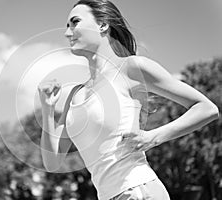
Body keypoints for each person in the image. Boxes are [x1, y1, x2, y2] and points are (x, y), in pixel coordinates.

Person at [37, 0, 219, 199]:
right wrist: (48, 109)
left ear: (103, 25)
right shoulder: (75, 95)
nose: (67, 32)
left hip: (137, 190)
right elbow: (52, 162)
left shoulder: (131, 69)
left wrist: (152, 137)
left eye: (75, 22)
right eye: (67, 26)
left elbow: (206, 108)